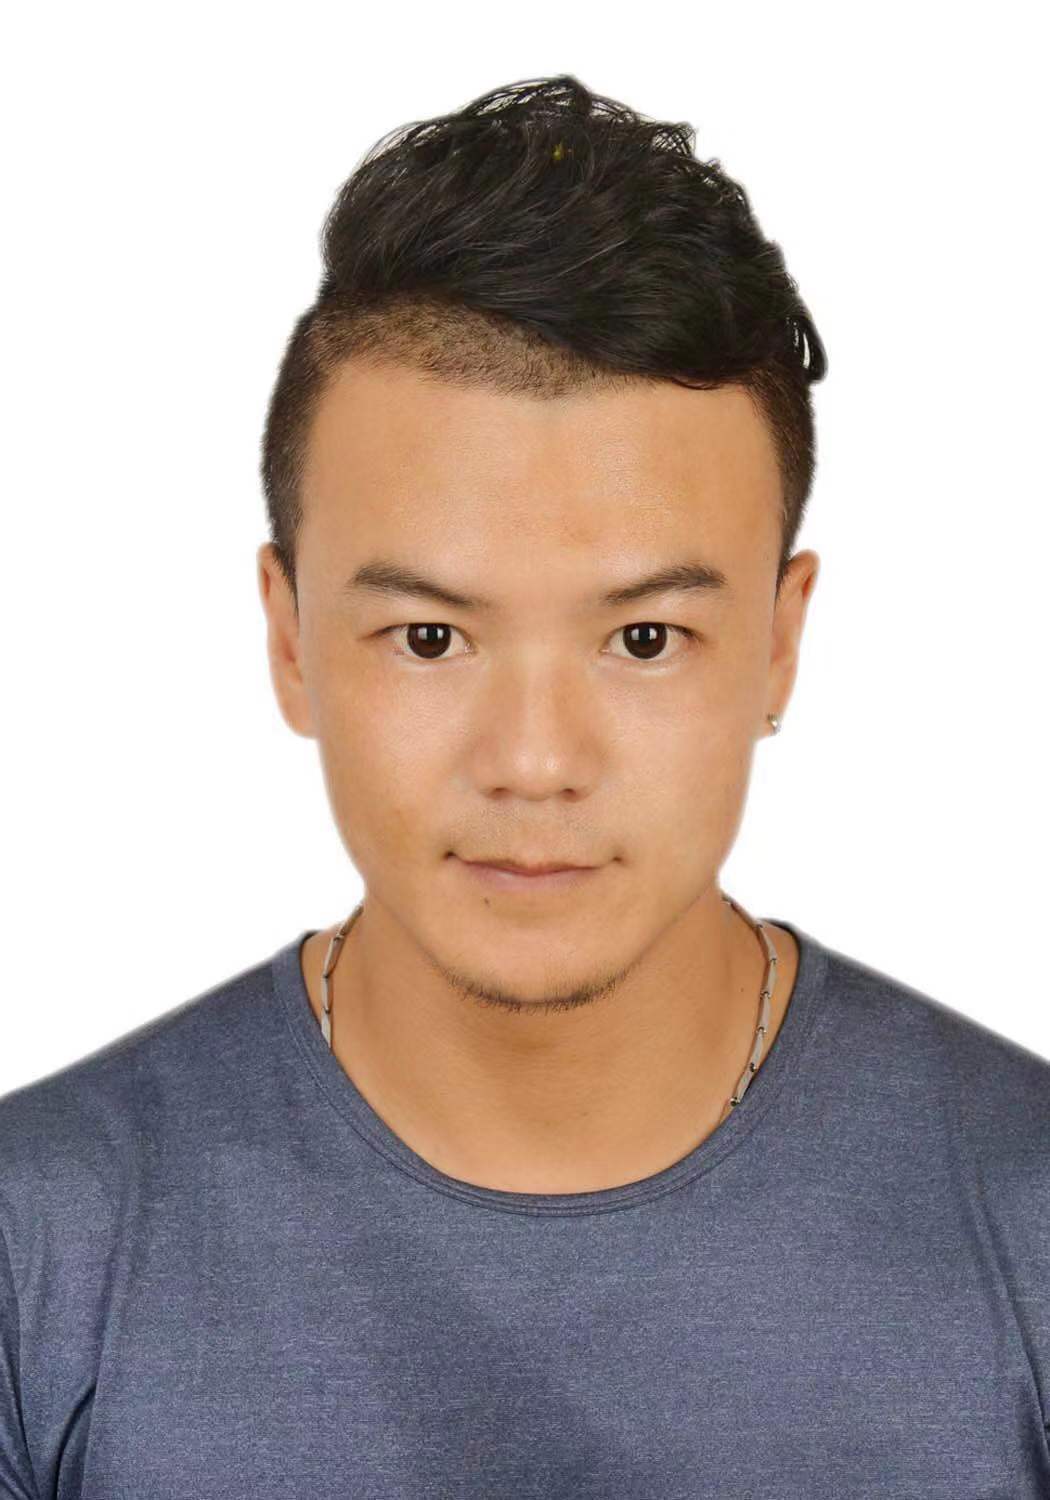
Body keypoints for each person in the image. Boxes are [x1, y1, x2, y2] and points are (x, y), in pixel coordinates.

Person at [1, 73, 1047, 1498]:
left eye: (644, 639)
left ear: (779, 644)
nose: (536, 763)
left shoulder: (1027, 1223)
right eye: (430, 638)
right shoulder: (39, 1250)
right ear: (289, 640)